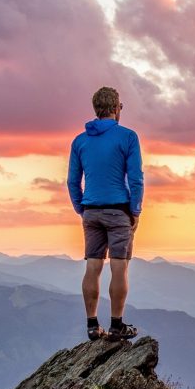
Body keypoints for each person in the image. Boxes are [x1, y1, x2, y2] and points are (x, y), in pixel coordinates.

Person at [67, 86, 144, 341]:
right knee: (119, 267)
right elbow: (136, 179)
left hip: (91, 211)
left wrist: (81, 208)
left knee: (93, 265)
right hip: (118, 210)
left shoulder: (79, 141)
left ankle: (92, 325)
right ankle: (116, 325)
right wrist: (135, 211)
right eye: (120, 107)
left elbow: (72, 181)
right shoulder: (128, 137)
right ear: (116, 108)